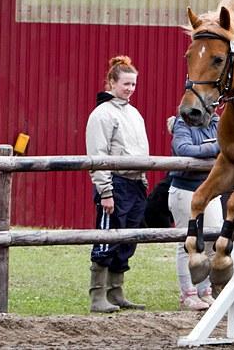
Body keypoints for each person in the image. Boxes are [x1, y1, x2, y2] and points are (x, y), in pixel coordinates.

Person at [85, 55, 149, 313]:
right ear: (111, 82)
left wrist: (143, 178)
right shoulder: (102, 114)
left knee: (128, 238)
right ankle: (97, 295)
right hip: (116, 183)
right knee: (107, 237)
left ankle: (116, 291)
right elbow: (98, 155)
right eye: (126, 84)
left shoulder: (133, 113)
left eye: (133, 84)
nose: (130, 89)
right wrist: (106, 191)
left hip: (135, 184)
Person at [167, 115, 224, 311]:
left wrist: (206, 149)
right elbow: (183, 149)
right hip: (185, 189)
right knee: (188, 243)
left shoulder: (217, 121)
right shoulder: (182, 123)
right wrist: (214, 148)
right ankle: (188, 293)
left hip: (210, 188)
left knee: (212, 240)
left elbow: (227, 142)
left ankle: (204, 290)